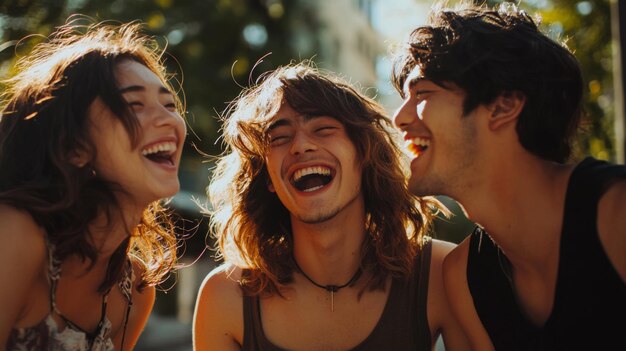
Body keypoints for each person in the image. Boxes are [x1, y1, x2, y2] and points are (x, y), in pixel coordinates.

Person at [391, 1, 626, 350]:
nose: (399, 118)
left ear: (503, 105)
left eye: (422, 93)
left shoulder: (615, 213)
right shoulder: (463, 276)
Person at [193, 62, 469, 350]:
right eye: (280, 137)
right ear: (268, 178)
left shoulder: (441, 273)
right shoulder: (226, 295)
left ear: (364, 154)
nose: (301, 146)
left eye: (323, 129)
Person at [0, 18, 187, 351]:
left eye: (169, 105)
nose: (168, 119)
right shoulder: (16, 233)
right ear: (75, 148)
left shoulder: (135, 288)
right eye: (134, 105)